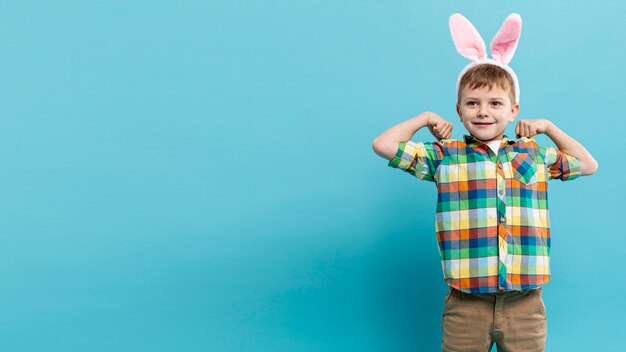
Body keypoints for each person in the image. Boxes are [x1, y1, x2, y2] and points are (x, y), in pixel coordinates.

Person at [371, 13, 598, 352]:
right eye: (473, 103)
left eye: (495, 103)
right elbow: (384, 145)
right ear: (459, 110)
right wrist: (423, 119)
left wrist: (549, 128)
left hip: (525, 304)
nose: (483, 112)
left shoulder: (532, 153)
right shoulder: (445, 155)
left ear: (513, 110)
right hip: (466, 304)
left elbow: (588, 164)